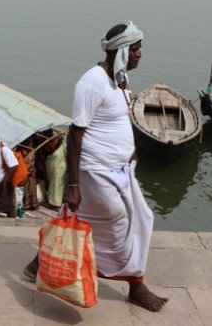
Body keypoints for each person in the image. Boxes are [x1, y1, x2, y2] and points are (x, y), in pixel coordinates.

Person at [24, 21, 167, 312]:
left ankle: (38, 263)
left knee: (127, 218)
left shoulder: (120, 79)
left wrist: (132, 150)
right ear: (122, 51)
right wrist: (72, 185)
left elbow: (118, 120)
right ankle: (135, 284)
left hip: (120, 169)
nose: (140, 54)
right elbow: (76, 134)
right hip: (96, 172)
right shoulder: (92, 82)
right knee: (119, 224)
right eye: (136, 49)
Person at [43, 133, 67, 208]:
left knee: (57, 186)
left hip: (60, 168)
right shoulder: (54, 145)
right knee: (53, 186)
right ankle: (53, 201)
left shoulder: (63, 146)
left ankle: (55, 203)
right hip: (55, 167)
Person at [12, 141, 38, 210]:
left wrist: (30, 169)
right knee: (24, 190)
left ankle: (31, 204)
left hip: (30, 174)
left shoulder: (32, 152)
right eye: (30, 143)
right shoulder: (19, 152)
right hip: (23, 174)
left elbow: (32, 163)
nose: (31, 144)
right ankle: (24, 204)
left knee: (31, 188)